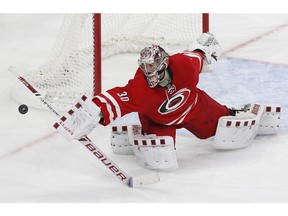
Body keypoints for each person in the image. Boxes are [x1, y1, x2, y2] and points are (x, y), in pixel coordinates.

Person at [54, 32, 281, 170]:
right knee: (161, 157)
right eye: (144, 66)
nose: (146, 70)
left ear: (163, 63)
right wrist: (89, 114)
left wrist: (205, 46)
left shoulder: (184, 65)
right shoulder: (140, 88)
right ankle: (141, 135)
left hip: (195, 108)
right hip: (160, 121)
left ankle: (234, 112)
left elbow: (199, 53)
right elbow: (113, 99)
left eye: (151, 66)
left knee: (223, 133)